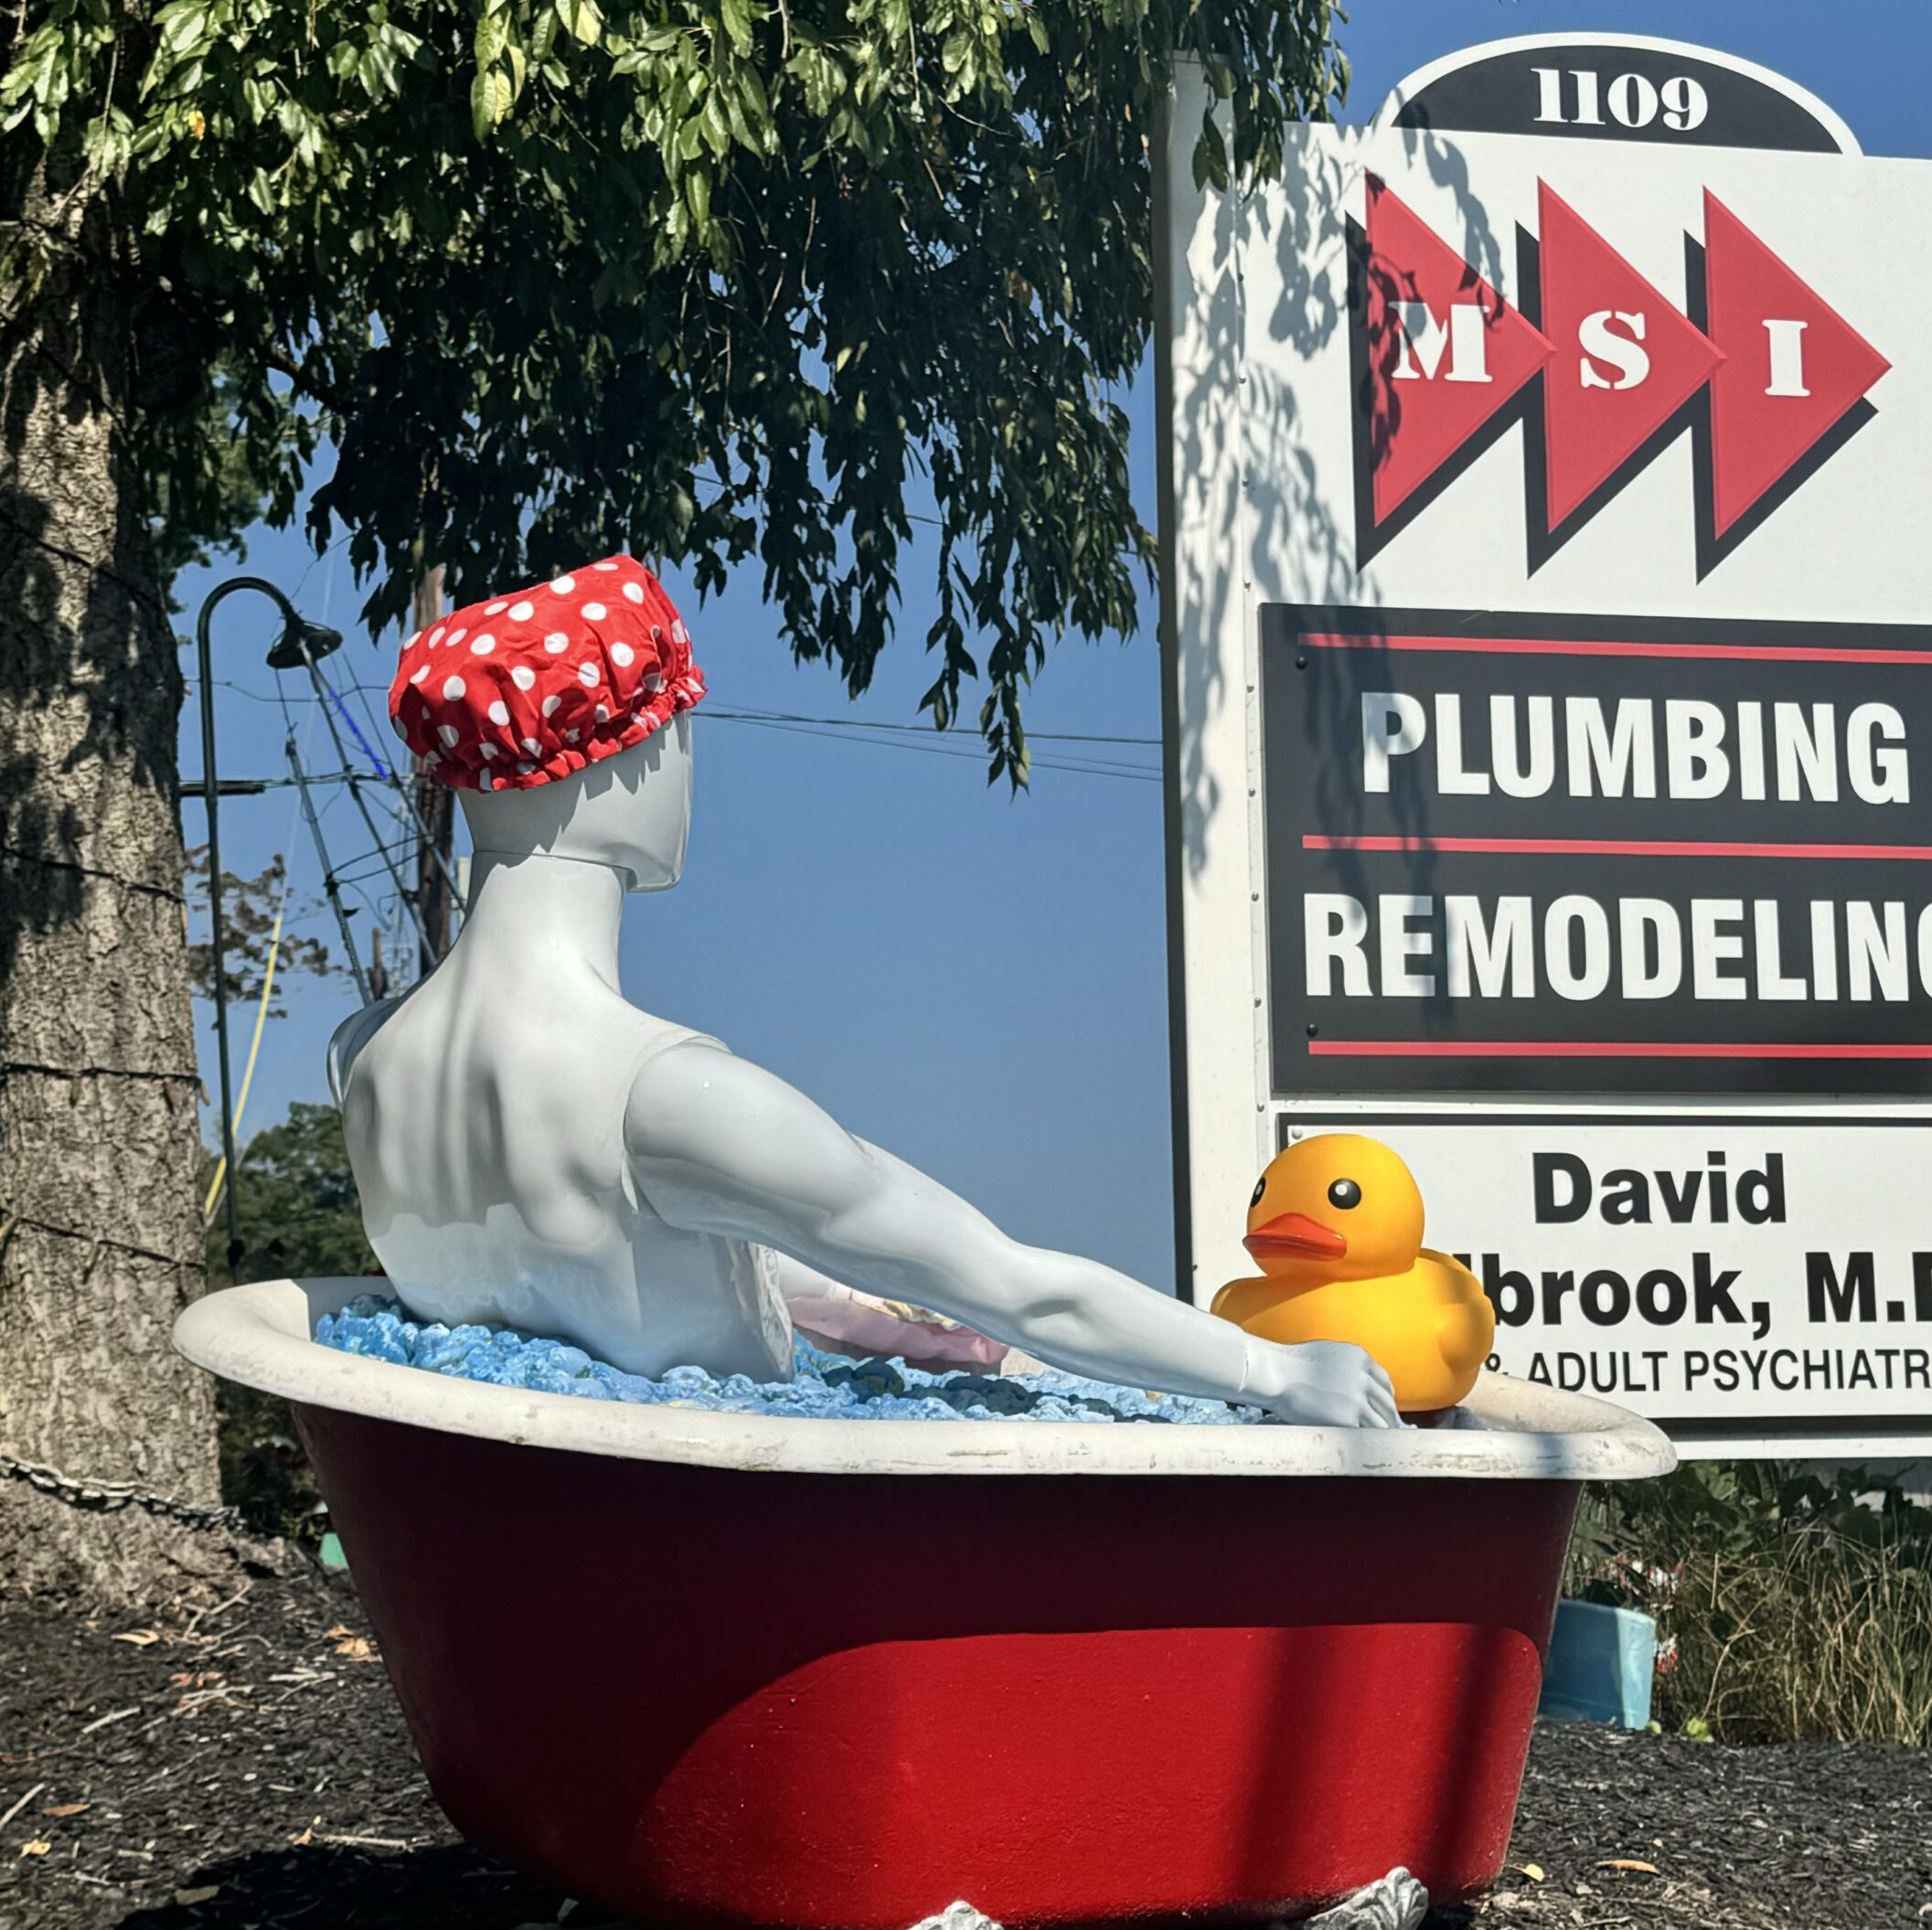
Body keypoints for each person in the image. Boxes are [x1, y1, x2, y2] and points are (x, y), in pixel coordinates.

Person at [331, 554, 1400, 1429]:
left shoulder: (363, 1056)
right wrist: (1271, 1373)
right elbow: (1022, 1286)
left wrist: (852, 1308)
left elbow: (584, 1275)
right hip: (748, 1557)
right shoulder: (669, 1097)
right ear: (631, 753)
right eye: (681, 730)